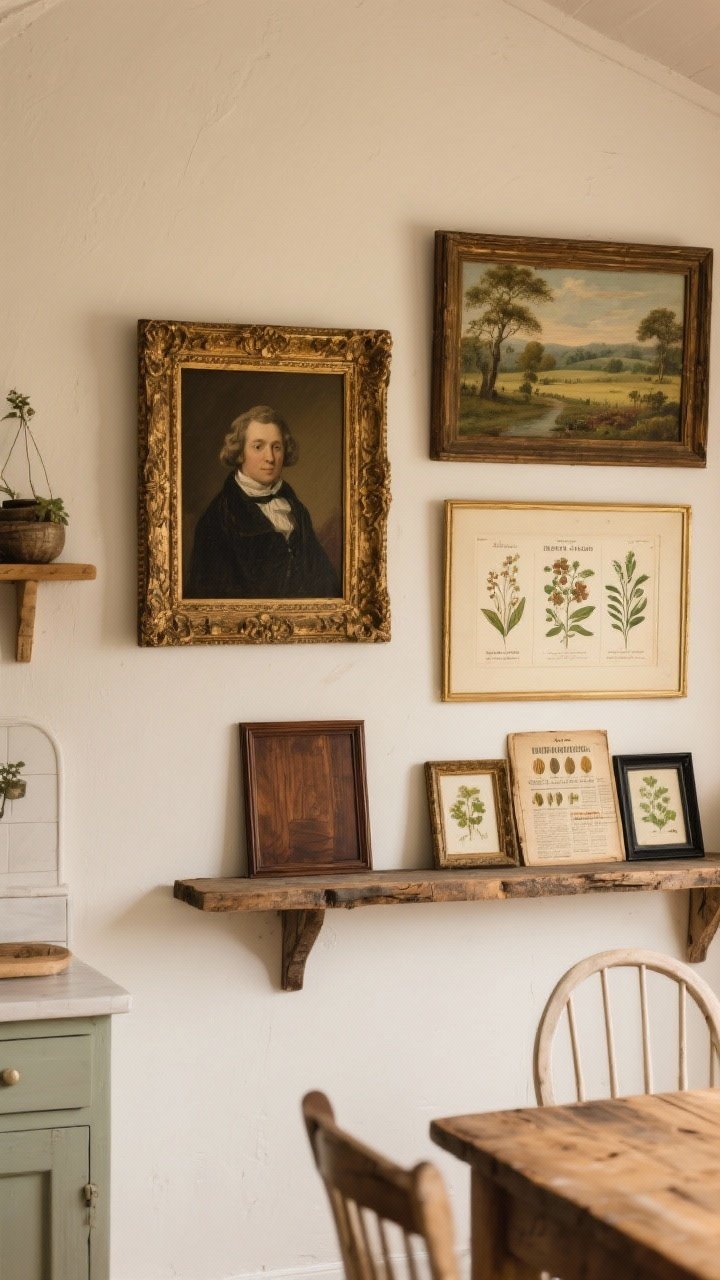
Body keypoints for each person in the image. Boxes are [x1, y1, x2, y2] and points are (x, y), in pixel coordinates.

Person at [186, 405, 341, 600]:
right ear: (240, 452)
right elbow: (210, 599)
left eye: (276, 447)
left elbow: (325, 583)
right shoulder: (217, 520)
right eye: (258, 447)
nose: (270, 458)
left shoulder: (297, 510)